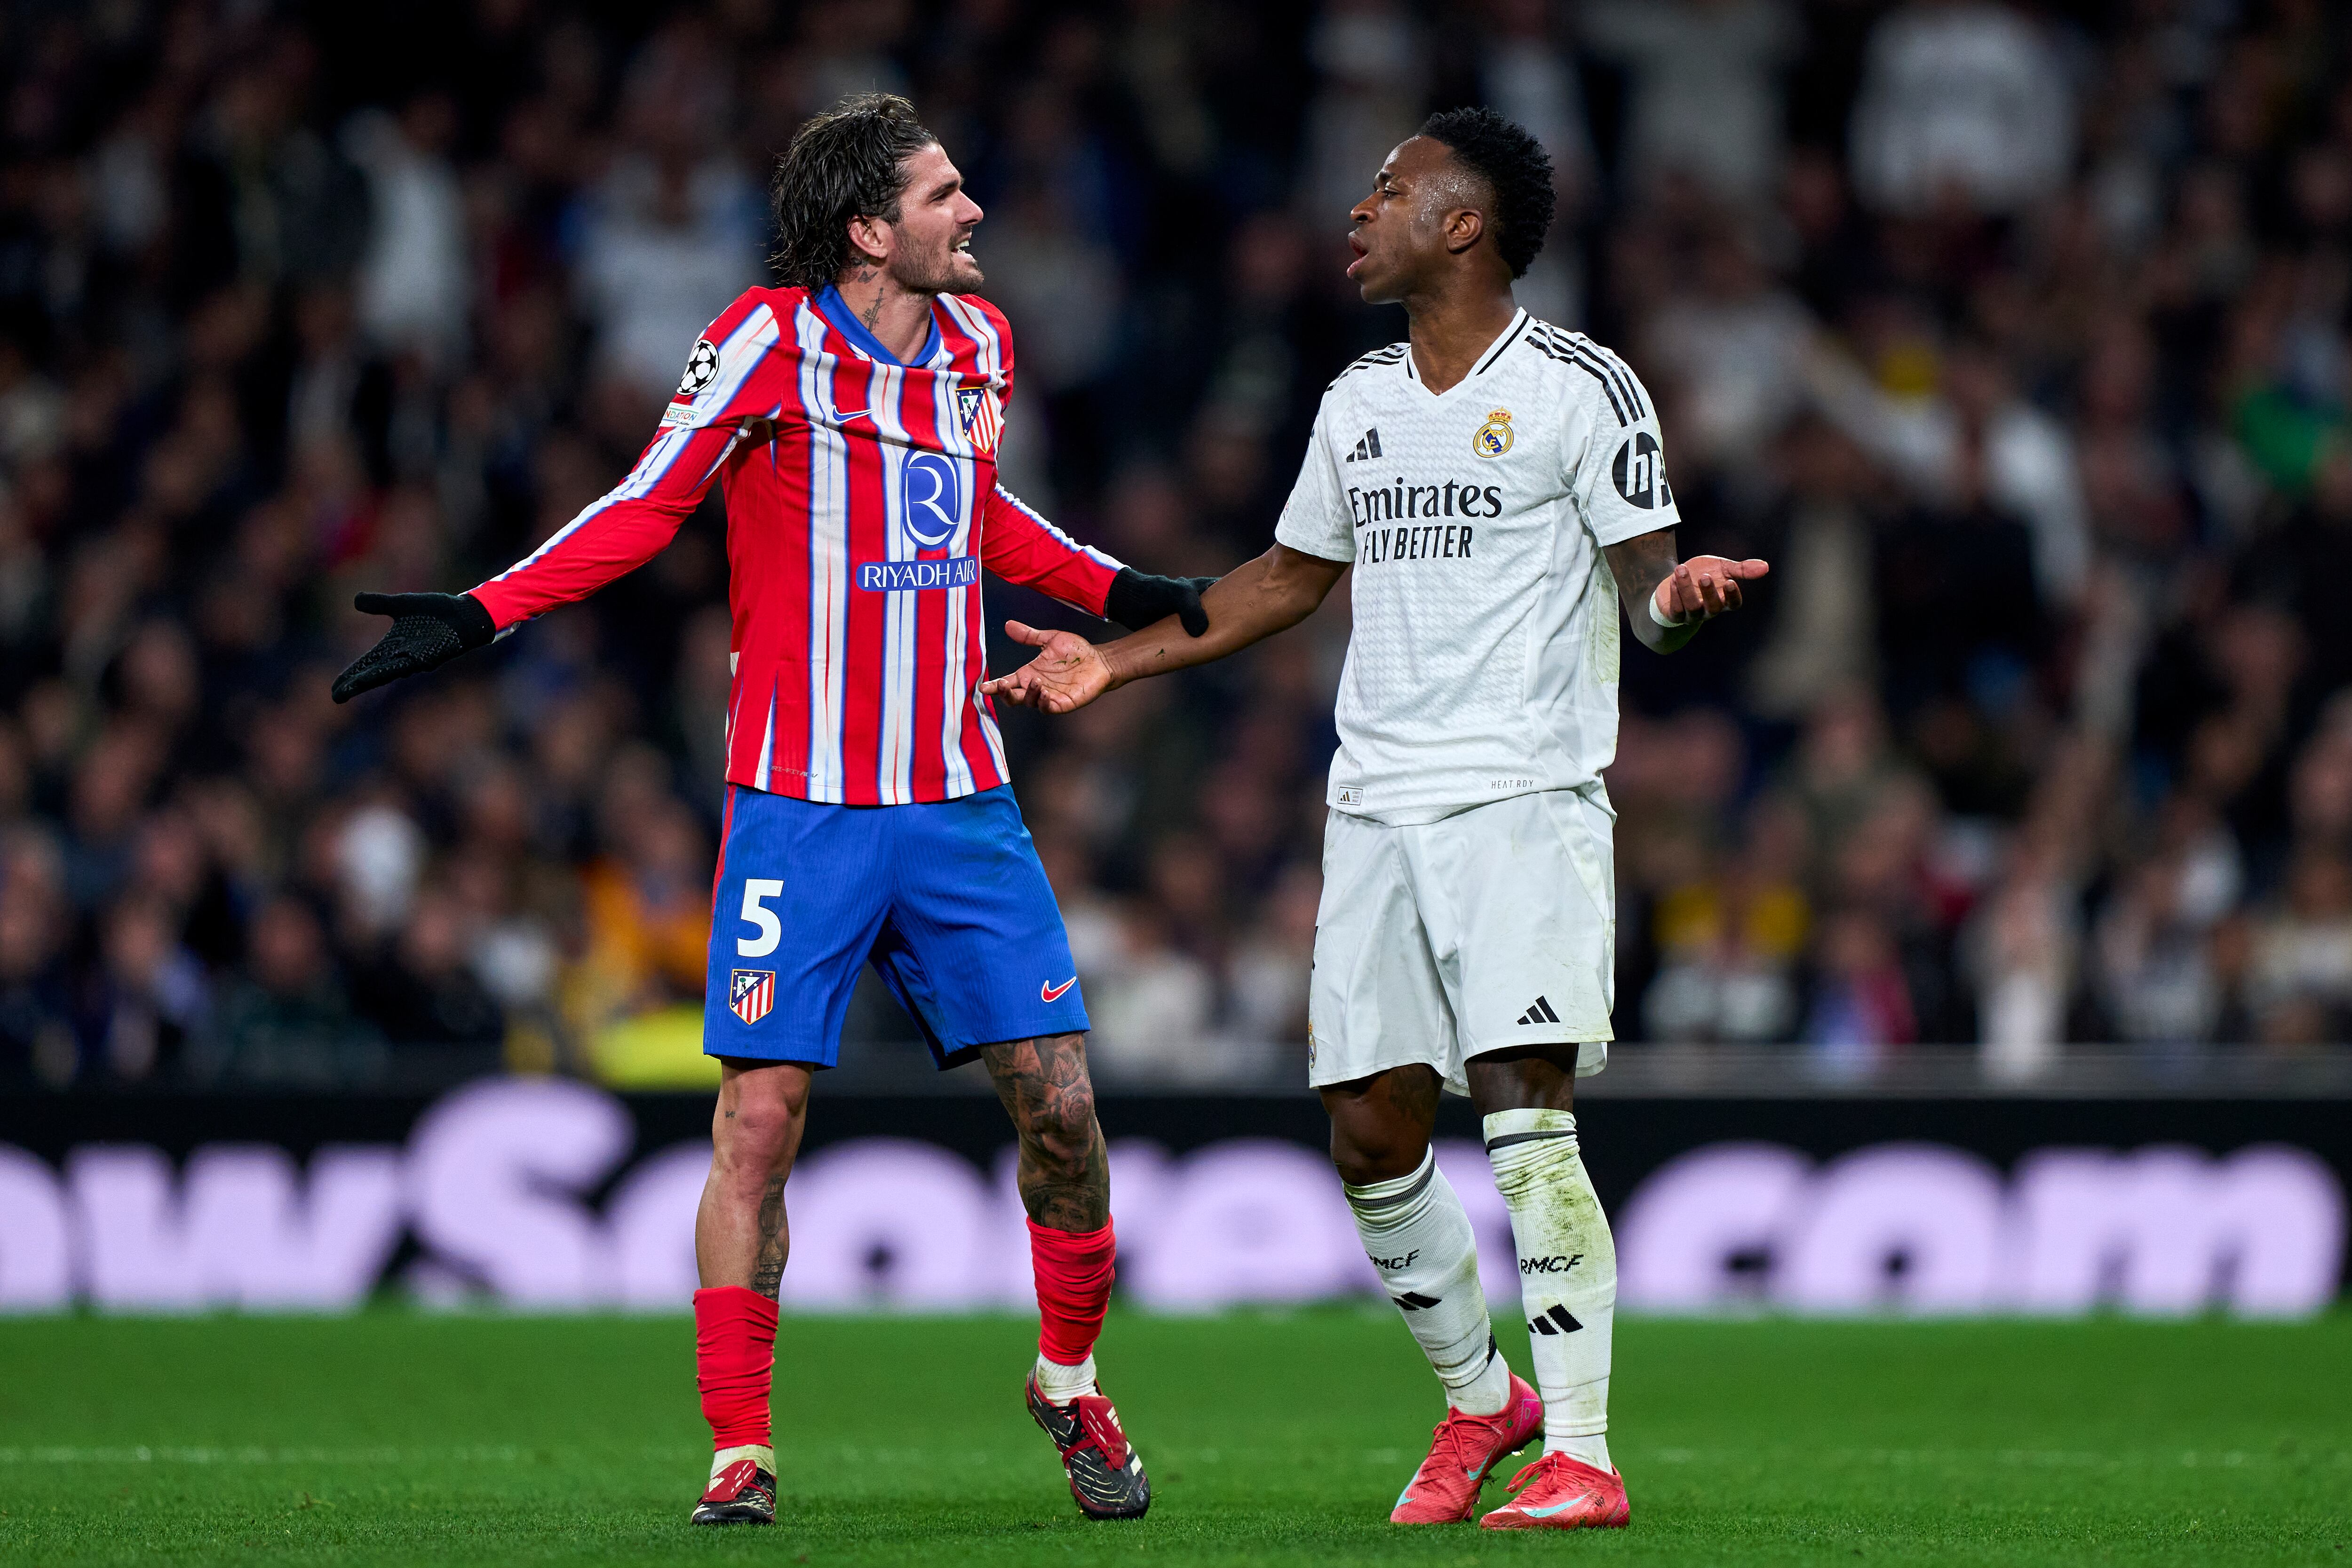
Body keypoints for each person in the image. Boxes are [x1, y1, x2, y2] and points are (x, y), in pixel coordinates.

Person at [331, 94, 1213, 1528]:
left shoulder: (982, 344)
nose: (972, 211)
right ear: (870, 230)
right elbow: (646, 501)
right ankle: (740, 1448)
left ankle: (1069, 1378)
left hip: (959, 798)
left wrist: (1116, 591)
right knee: (758, 1117)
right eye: (943, 195)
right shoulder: (768, 337)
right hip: (798, 806)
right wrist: (485, 611)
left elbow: (980, 520)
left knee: (1062, 1109)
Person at [984, 106, 1767, 1531]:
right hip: (1376, 807)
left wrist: (1680, 601)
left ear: (1464, 225)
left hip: (1523, 796)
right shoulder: (1357, 402)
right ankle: (1483, 1403)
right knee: (1369, 1132)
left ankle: (1585, 1453)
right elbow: (1285, 582)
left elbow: (1647, 592)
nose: (1361, 211)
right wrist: (1117, 657)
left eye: (1392, 192)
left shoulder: (1585, 386)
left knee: (1527, 1113)